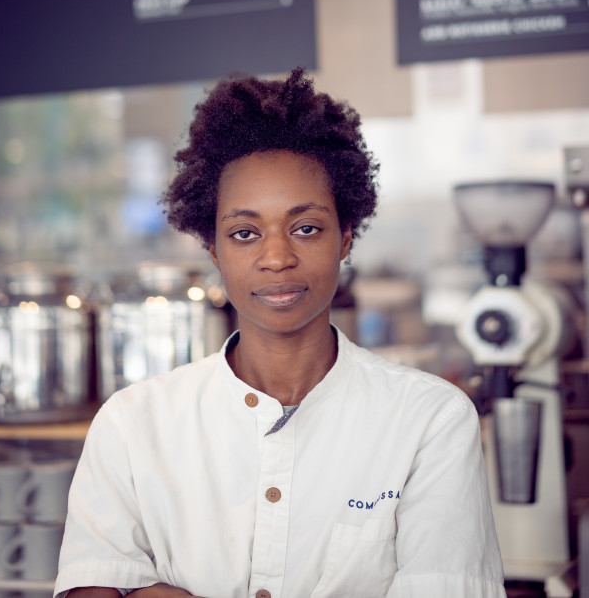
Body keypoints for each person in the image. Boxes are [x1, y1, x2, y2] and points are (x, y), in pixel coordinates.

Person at [55, 68, 506, 598]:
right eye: (244, 233)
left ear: (345, 237)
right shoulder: (133, 424)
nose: (276, 258)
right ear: (214, 250)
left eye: (306, 228)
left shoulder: (430, 420)